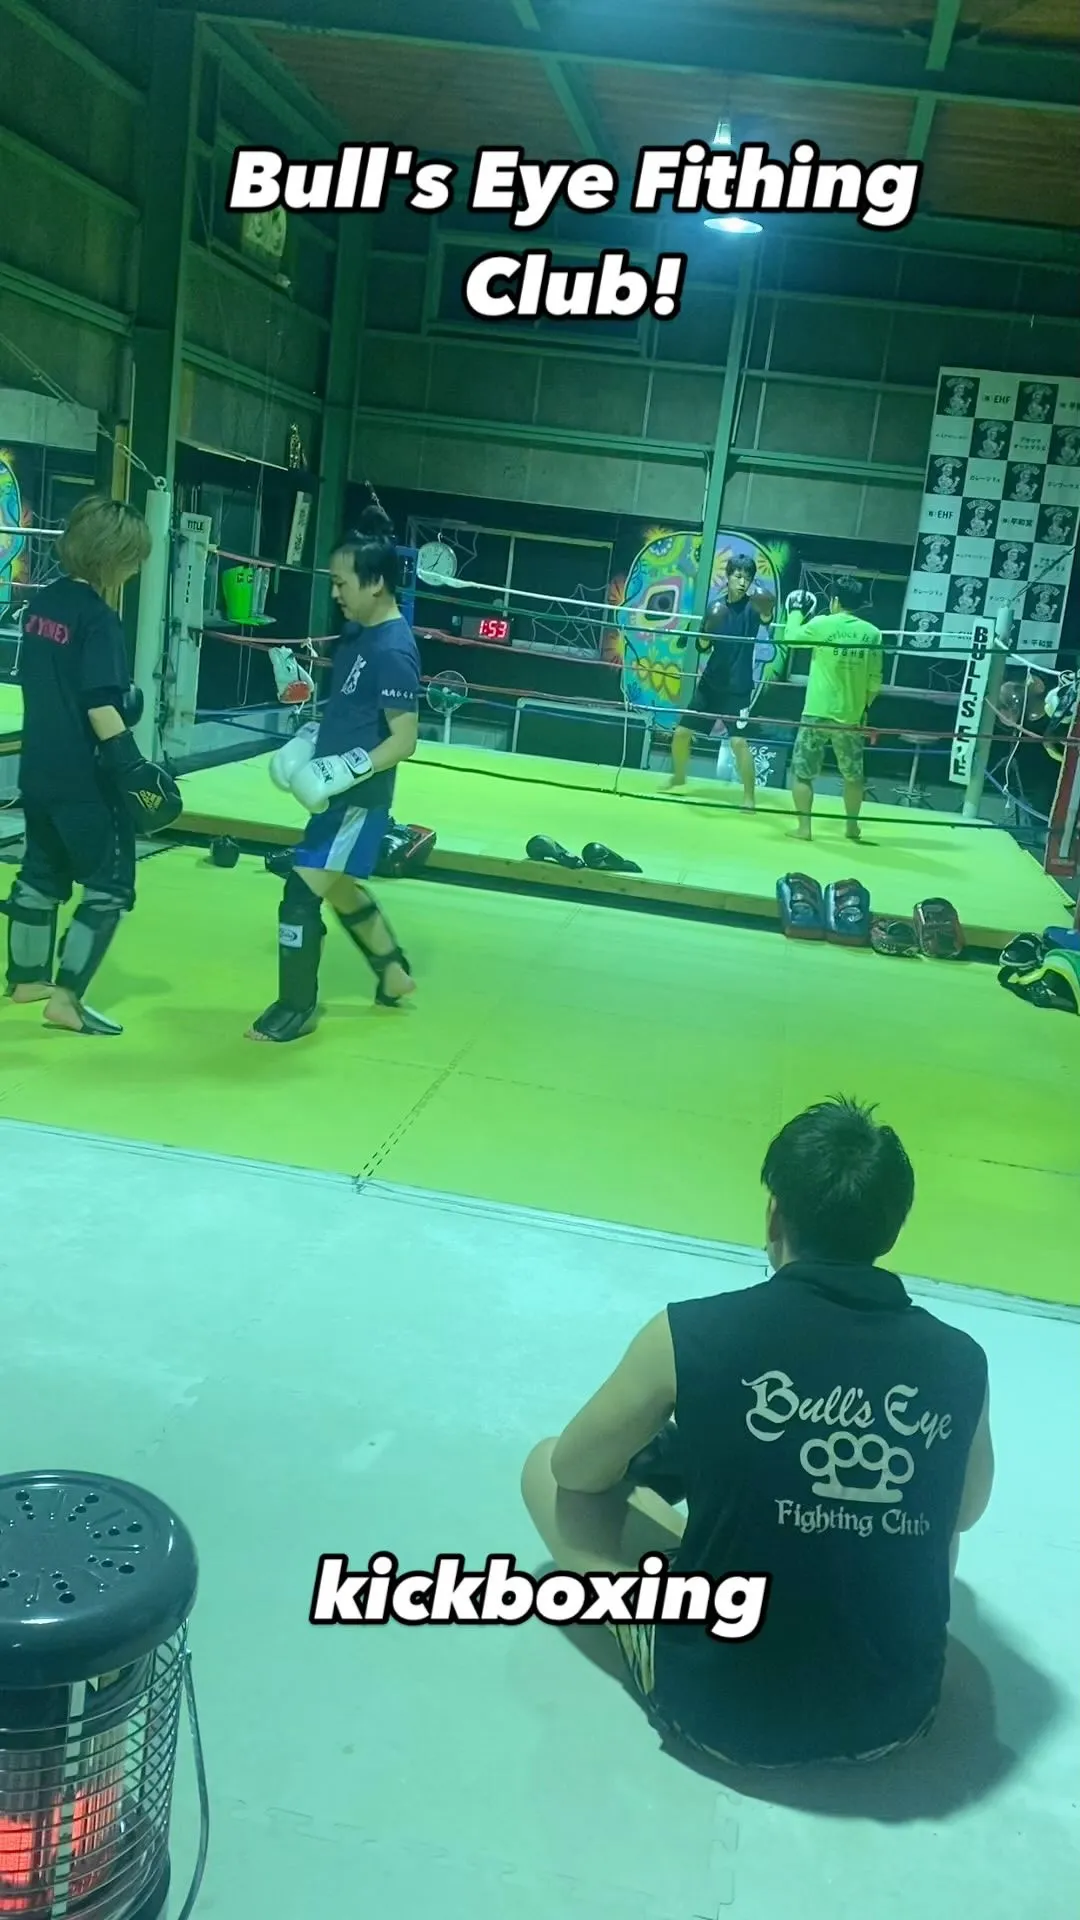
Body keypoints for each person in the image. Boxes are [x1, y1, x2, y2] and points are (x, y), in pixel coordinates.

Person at [521, 1097, 992, 1770]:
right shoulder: (960, 1360)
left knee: (545, 1470)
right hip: (898, 1714)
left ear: (776, 1215)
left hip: (721, 1717)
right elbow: (965, 1511)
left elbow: (575, 1469)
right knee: (932, 1507)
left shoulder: (690, 1333)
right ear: (891, 1228)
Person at [3, 494, 179, 1037]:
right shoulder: (99, 620)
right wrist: (133, 768)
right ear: (112, 556)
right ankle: (67, 1001)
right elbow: (100, 705)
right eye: (133, 559)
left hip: (37, 769)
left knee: (41, 871)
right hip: (84, 778)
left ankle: (26, 980)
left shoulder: (43, 604)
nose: (135, 570)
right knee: (110, 885)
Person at [248, 504, 421, 1043]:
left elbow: (404, 739)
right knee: (340, 887)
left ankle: (295, 1007)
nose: (335, 592)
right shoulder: (355, 634)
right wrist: (307, 740)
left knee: (300, 894)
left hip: (357, 801)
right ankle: (392, 972)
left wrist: (346, 767)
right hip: (338, 795)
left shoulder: (394, 649)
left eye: (342, 582)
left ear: (375, 583)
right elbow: (345, 711)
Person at [765, 574, 883, 843]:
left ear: (835, 601)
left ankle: (804, 829)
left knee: (802, 773)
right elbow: (874, 682)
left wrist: (796, 611)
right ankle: (851, 827)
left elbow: (790, 639)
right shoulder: (872, 634)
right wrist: (863, 709)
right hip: (850, 715)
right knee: (853, 776)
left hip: (816, 712)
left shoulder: (822, 624)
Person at [665, 556, 775, 809]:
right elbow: (703, 647)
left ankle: (749, 797)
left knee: (738, 742)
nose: (743, 582)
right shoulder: (715, 607)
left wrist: (767, 607)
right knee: (681, 733)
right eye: (738, 576)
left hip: (738, 688)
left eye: (747, 578)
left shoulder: (753, 607)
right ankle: (679, 777)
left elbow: (766, 618)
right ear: (729, 576)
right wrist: (706, 630)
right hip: (712, 683)